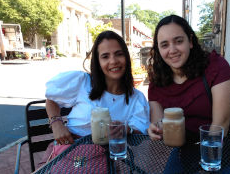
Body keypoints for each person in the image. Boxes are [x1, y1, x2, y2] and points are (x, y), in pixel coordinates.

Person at [39, 30, 150, 165]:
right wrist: (56, 124)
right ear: (97, 62)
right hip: (70, 151)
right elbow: (51, 100)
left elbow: (140, 133)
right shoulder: (83, 82)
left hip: (107, 159)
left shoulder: (136, 98)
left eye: (119, 54)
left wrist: (127, 130)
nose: (113, 61)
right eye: (105, 56)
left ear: (126, 57)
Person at [147, 15, 230, 141]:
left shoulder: (216, 66)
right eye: (164, 45)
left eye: (179, 41)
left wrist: (205, 157)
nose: (172, 50)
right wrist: (156, 130)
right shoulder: (157, 80)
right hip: (185, 149)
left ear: (190, 41)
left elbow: (220, 126)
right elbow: (161, 127)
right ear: (158, 49)